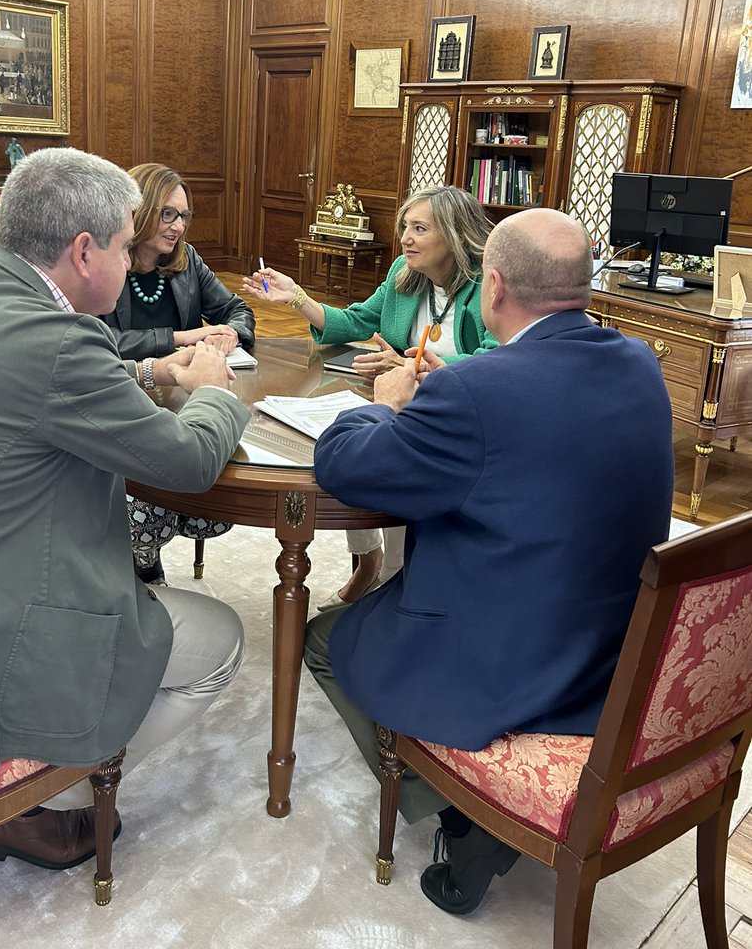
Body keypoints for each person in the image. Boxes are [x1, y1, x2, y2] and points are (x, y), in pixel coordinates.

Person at [0, 146, 250, 870]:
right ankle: (34, 793)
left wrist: (150, 368)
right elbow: (188, 462)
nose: (133, 265)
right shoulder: (54, 342)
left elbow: (28, 378)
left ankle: (30, 787)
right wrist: (220, 391)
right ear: (83, 249)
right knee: (218, 645)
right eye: (128, 247)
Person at [303, 208, 674, 918]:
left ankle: (462, 813)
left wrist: (386, 405)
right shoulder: (638, 362)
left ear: (493, 288)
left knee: (329, 639)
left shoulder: (474, 393)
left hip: (509, 661)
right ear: (583, 289)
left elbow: (345, 464)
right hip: (614, 651)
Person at [243, 185, 496, 608]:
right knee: (343, 447)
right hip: (400, 405)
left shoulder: (486, 285)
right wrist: (296, 298)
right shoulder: (403, 273)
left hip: (459, 414)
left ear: (454, 235)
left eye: (419, 228)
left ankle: (395, 578)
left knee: (386, 461)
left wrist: (410, 369)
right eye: (405, 227)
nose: (406, 238)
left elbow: (496, 358)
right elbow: (355, 320)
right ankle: (367, 558)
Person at [102, 162, 255, 585]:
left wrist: (227, 335)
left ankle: (146, 551)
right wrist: (179, 337)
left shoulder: (188, 264)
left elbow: (239, 311)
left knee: (211, 471)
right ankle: (143, 562)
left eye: (184, 216)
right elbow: (102, 341)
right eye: (168, 213)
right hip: (127, 400)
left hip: (184, 403)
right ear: (142, 210)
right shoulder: (107, 264)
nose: (178, 227)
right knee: (143, 486)